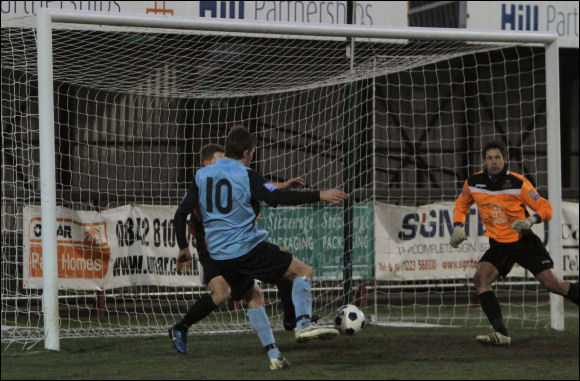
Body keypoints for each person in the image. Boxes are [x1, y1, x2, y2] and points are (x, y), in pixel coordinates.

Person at [187, 126, 347, 370]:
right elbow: (276, 198)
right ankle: (303, 324)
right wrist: (320, 195)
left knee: (253, 296)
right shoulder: (247, 174)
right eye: (252, 151)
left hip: (219, 255)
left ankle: (275, 356)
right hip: (244, 248)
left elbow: (189, 211)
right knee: (302, 272)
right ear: (248, 152)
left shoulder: (205, 175)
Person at [169, 143, 317, 357]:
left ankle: (289, 322)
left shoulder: (222, 179)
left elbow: (249, 185)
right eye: (218, 162)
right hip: (211, 251)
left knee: (274, 280)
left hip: (233, 249)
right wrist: (184, 247)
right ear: (206, 164)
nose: (224, 166)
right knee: (223, 293)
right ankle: (180, 327)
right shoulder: (203, 185)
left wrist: (281, 186)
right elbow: (182, 215)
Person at [450, 140, 579, 346]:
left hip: (523, 241)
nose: (494, 162)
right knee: (481, 278)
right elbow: (461, 205)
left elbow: (546, 207)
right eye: (490, 158)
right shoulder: (473, 183)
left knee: (553, 285)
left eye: (498, 157)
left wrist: (530, 220)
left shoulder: (518, 183)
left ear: (505, 159)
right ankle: (501, 333)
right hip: (499, 244)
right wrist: (458, 226)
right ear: (484, 161)